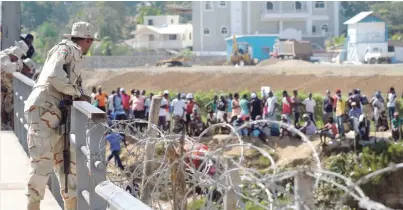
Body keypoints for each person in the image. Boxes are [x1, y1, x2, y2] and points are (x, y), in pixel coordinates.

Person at [23, 22, 98, 210]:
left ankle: (70, 206)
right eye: (91, 42)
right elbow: (55, 76)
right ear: (87, 40)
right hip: (45, 111)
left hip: (57, 114)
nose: (91, 45)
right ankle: (33, 207)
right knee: (42, 162)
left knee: (67, 165)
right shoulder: (67, 49)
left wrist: (78, 93)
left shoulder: (71, 52)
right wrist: (76, 93)